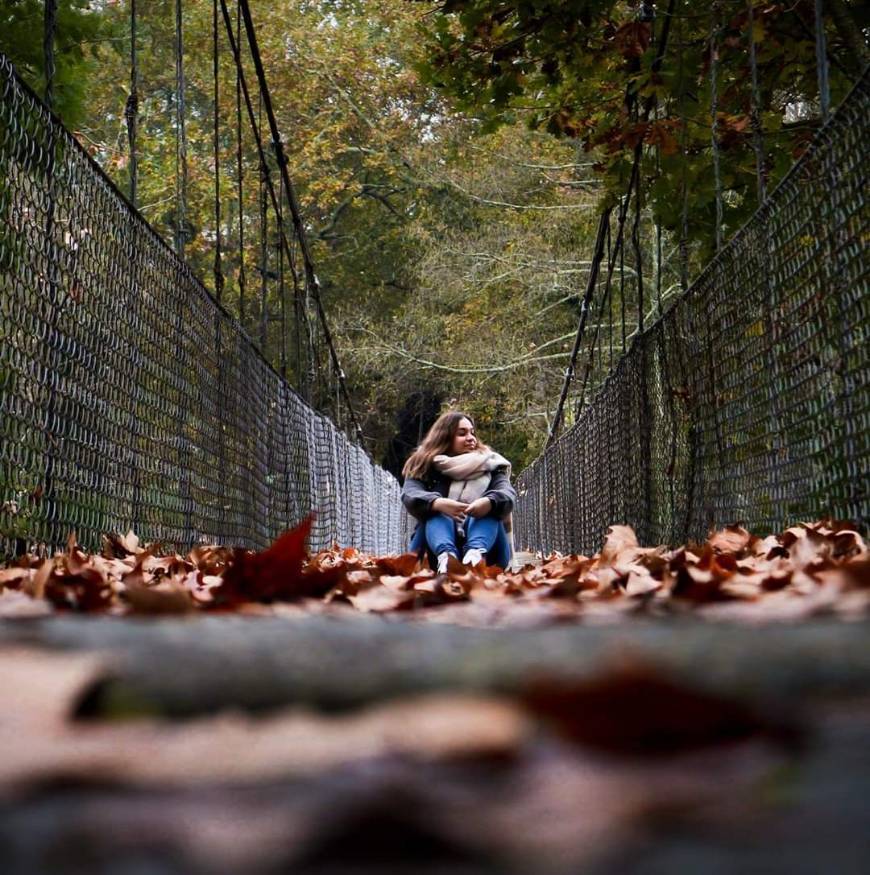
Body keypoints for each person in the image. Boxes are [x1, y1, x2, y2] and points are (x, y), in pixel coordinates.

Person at [402, 411, 516, 573]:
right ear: (444, 437)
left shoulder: (491, 465)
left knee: (491, 506)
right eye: (462, 433)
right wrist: (437, 503)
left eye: (472, 433)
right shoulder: (423, 466)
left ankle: (474, 558)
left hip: (489, 556)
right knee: (436, 511)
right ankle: (448, 559)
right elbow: (409, 494)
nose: (471, 438)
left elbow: (507, 493)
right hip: (431, 555)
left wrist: (489, 502)